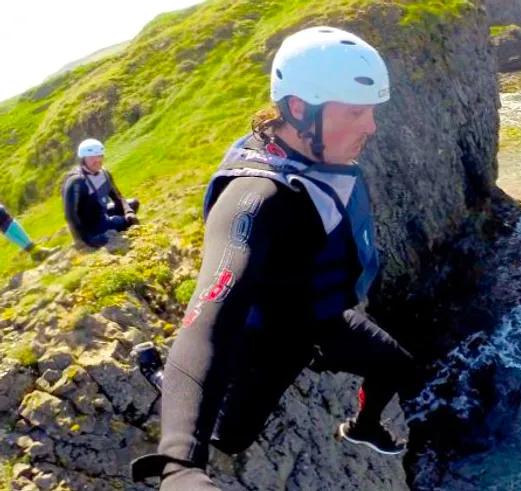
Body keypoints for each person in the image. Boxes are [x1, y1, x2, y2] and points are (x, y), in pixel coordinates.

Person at [130, 26, 416, 490]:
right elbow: (208, 320)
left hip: (321, 318)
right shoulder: (255, 197)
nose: (371, 126)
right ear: (300, 108)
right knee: (233, 437)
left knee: (397, 364)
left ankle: (362, 427)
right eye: (357, 112)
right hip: (268, 340)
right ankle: (163, 377)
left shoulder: (315, 159)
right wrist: (180, 464)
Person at [61, 138, 139, 248]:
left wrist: (128, 211)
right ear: (83, 159)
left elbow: (118, 197)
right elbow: (71, 216)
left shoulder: (104, 173)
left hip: (101, 213)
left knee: (133, 204)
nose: (97, 160)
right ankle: (109, 228)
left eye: (100, 156)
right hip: (90, 226)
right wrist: (86, 240)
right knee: (125, 222)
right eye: (92, 157)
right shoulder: (76, 182)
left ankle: (116, 222)